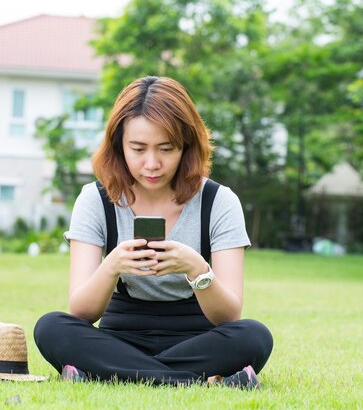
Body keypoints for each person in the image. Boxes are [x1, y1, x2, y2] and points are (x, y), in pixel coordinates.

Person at [34, 76, 273, 389]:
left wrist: (197, 268)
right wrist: (113, 265)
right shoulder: (96, 199)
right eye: (138, 148)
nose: (152, 163)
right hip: (120, 338)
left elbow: (229, 316)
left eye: (166, 149)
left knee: (254, 336)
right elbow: (81, 312)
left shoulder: (218, 201)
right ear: (118, 145)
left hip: (197, 339)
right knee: (51, 327)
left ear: (186, 146)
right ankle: (194, 381)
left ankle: (109, 373)